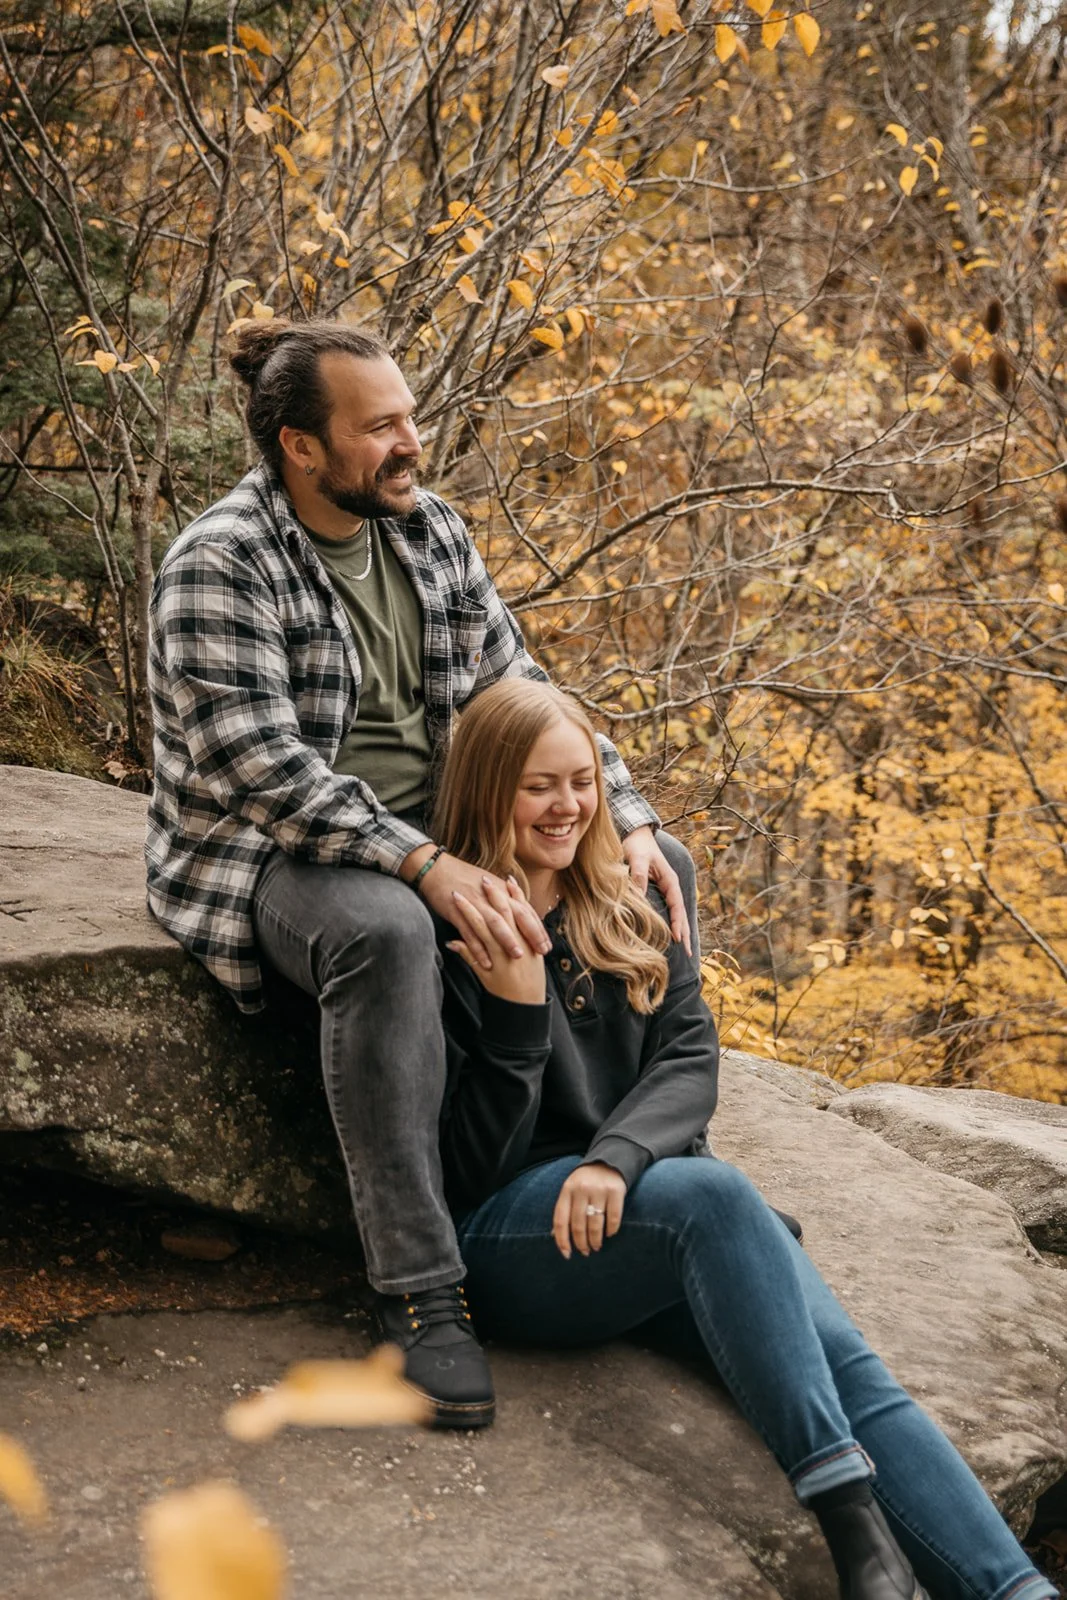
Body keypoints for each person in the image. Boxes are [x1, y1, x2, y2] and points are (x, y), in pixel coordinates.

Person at [145, 318, 696, 1427]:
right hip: (274, 852)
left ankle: (658, 1182)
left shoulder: (429, 532)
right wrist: (424, 865)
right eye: (381, 427)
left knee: (657, 866)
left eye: (409, 417)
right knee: (389, 930)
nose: (411, 442)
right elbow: (268, 772)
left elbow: (520, 681)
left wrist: (624, 810)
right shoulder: (219, 563)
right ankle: (419, 1289)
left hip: (444, 826)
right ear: (302, 447)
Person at [430, 677, 1055, 1600]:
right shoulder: (445, 933)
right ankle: (855, 1536)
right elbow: (466, 1165)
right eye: (535, 786)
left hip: (644, 1209)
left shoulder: (631, 898)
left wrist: (617, 1158)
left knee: (849, 1367)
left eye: (580, 781)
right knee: (720, 1198)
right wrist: (518, 1016)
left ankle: (1014, 1592)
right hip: (515, 1239)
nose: (565, 806)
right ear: (486, 789)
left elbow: (688, 1060)